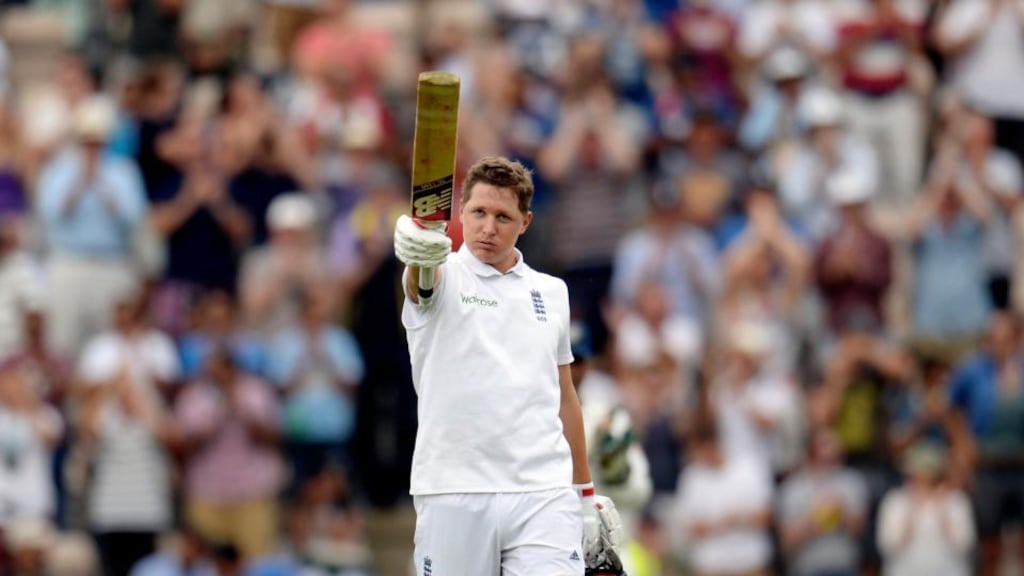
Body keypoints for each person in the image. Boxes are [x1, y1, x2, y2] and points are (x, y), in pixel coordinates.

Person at [392, 156, 624, 575]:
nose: (488, 227)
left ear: (526, 222)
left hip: (542, 491)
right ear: (461, 212)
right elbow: (419, 282)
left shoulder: (552, 293)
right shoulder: (441, 274)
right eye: (478, 212)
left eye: (503, 216)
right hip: (454, 488)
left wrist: (585, 490)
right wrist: (419, 251)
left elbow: (565, 396)